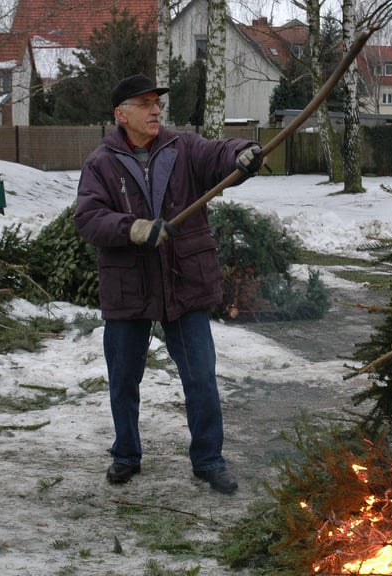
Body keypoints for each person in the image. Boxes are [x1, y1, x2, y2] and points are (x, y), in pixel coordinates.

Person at [74, 74, 264, 494]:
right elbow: (87, 219)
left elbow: (221, 155)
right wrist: (134, 229)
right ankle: (126, 453)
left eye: (156, 103)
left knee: (200, 377)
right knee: (124, 378)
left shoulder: (184, 147)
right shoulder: (101, 163)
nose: (155, 110)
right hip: (129, 286)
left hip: (184, 283)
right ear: (121, 114)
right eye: (144, 104)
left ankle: (209, 460)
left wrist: (244, 154)